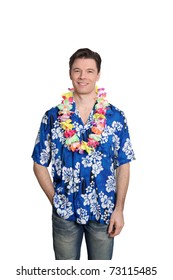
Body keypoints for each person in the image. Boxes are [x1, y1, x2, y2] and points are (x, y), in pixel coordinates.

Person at [31, 48, 135, 260]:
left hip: (104, 212)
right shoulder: (53, 117)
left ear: (98, 75)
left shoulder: (116, 117)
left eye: (89, 71)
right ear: (70, 73)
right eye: (77, 70)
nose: (82, 76)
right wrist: (56, 200)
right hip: (65, 214)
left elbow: (123, 164)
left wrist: (119, 209)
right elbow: (39, 163)